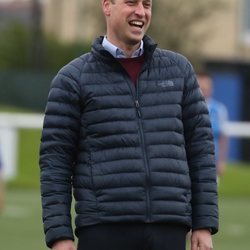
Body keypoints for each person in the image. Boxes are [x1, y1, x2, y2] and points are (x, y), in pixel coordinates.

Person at [40, 0, 218, 250]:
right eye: (131, 2)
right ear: (107, 6)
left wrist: (204, 223)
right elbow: (55, 162)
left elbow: (200, 150)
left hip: (169, 229)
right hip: (102, 230)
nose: (141, 12)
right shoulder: (72, 79)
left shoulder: (179, 71)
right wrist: (59, 234)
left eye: (147, 4)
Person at [197, 72, 229, 177]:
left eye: (207, 87)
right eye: (201, 86)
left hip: (212, 162)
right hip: (192, 160)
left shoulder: (219, 109)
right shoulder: (187, 107)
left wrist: (222, 162)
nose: (204, 89)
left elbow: (223, 138)